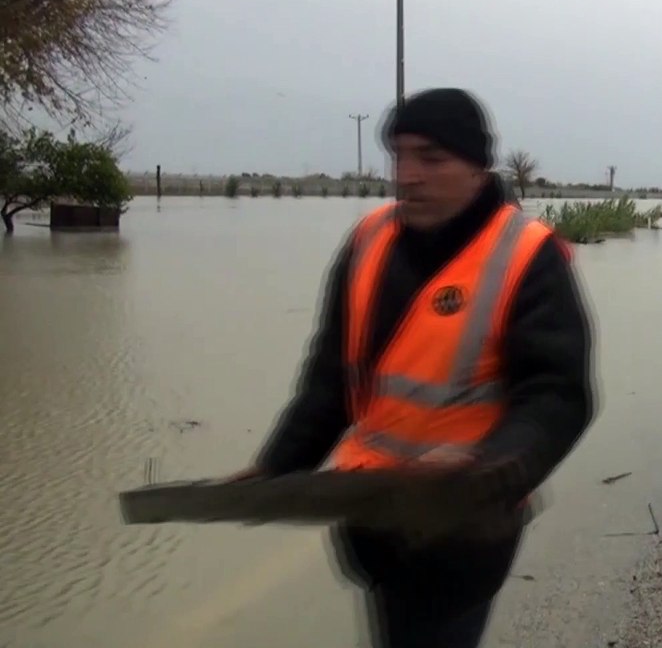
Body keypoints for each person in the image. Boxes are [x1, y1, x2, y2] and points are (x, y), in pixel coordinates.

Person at [228, 87, 595, 647]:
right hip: (370, 522)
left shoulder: (527, 255)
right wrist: (278, 464)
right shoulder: (368, 240)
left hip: (464, 531)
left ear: (476, 167)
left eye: (431, 158)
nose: (408, 175)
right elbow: (330, 378)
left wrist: (485, 465)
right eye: (398, 156)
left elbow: (558, 396)